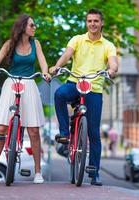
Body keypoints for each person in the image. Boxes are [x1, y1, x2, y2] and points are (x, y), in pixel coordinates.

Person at [50, 9, 118, 186]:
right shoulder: (77, 39)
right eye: (90, 21)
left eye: (96, 21)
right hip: (75, 82)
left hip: (93, 89)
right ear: (86, 23)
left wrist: (112, 70)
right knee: (59, 94)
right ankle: (65, 132)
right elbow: (67, 55)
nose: (93, 24)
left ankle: (94, 173)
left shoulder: (108, 45)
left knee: (94, 134)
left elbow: (113, 62)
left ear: (101, 23)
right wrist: (57, 67)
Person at [0, 14, 50, 184]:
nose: (34, 27)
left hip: (29, 84)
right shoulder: (9, 44)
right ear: (23, 27)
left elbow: (43, 62)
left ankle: (38, 172)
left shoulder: (35, 44)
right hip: (11, 83)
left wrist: (45, 72)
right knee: (1, 128)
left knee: (34, 131)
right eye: (32, 25)